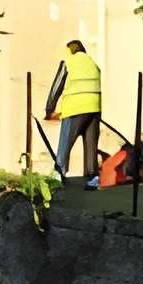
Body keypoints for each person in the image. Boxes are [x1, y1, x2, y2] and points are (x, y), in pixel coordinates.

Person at [44, 38, 103, 187]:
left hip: (75, 108)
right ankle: (93, 178)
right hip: (94, 109)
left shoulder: (68, 63)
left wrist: (49, 109)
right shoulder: (93, 63)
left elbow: (56, 87)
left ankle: (58, 173)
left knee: (66, 141)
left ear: (70, 50)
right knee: (91, 144)